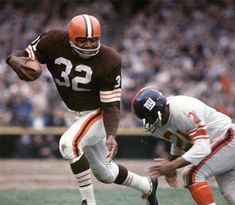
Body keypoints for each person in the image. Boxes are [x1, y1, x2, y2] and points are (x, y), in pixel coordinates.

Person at [6, 14, 158, 205]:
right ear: (70, 38)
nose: (88, 45)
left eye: (93, 40)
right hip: (75, 113)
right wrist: (12, 59)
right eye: (83, 40)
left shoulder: (109, 59)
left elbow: (110, 104)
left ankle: (88, 202)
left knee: (69, 145)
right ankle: (147, 185)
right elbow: (25, 55)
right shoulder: (52, 40)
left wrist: (111, 135)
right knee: (106, 173)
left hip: (98, 113)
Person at [131, 87, 235, 205]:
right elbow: (181, 141)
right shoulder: (160, 122)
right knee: (231, 193)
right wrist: (172, 164)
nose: (147, 121)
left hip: (228, 138)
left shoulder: (184, 110)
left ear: (159, 110)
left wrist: (171, 165)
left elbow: (202, 147)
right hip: (220, 146)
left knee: (192, 174)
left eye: (148, 116)